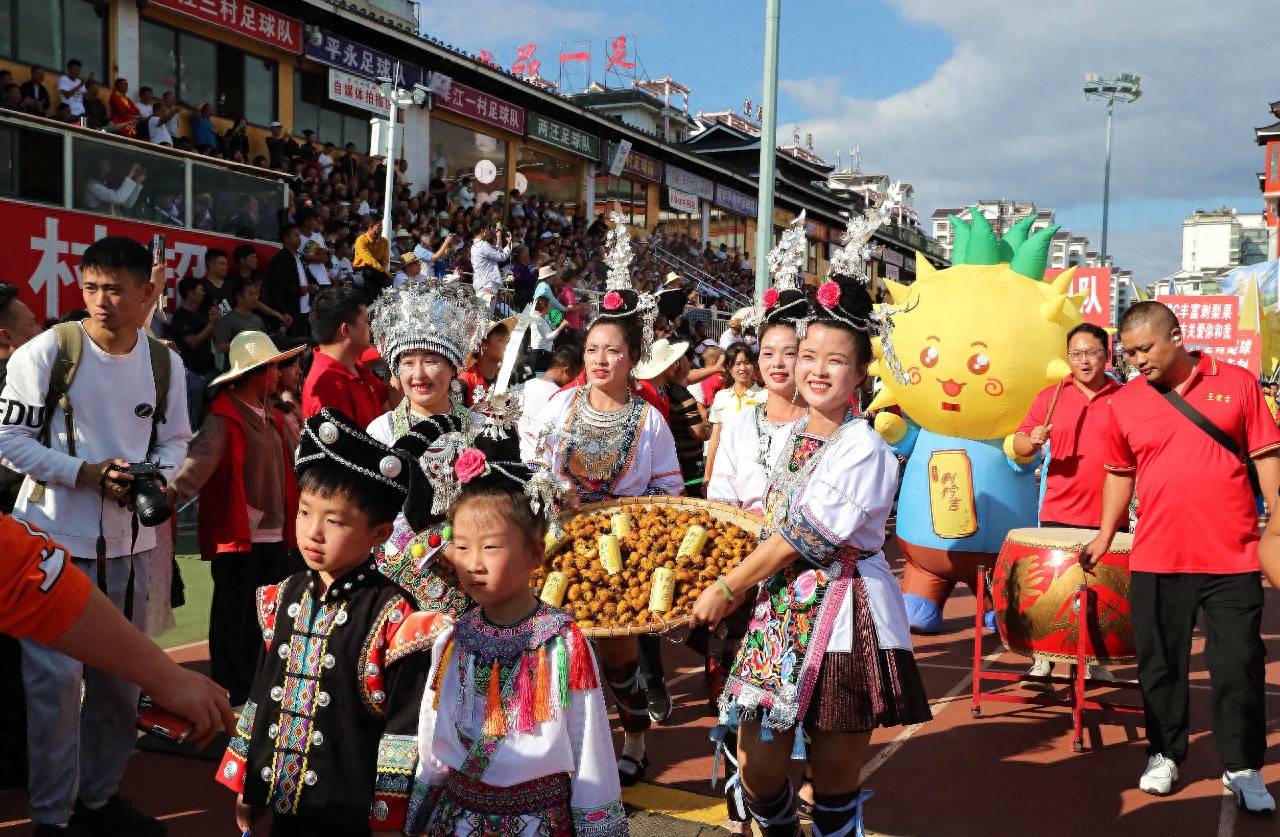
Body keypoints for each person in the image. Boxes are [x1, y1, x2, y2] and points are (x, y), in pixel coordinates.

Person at [691, 275, 931, 837]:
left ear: (860, 374)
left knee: (832, 781)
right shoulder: (791, 434)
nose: (817, 370)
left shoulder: (865, 446)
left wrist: (728, 588)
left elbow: (804, 535)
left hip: (844, 615)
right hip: (777, 611)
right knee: (757, 768)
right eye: (809, 356)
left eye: (836, 361)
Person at [0, 236, 191, 836]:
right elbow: (7, 441)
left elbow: (177, 440)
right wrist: (83, 473)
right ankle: (52, 819)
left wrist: (146, 474)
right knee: (54, 692)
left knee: (118, 687)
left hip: (129, 548)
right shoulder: (44, 353)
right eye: (91, 288)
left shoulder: (165, 363)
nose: (102, 301)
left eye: (116, 289)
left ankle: (100, 801)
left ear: (146, 294)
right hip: (48, 547)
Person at [1080, 301, 1279, 812]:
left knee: (1238, 665)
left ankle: (1242, 767)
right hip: (1156, 557)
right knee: (1161, 666)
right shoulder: (1124, 403)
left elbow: (1265, 456)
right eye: (1129, 353)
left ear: (1176, 335)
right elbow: (1119, 472)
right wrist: (1106, 534)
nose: (1138, 360)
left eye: (1146, 348)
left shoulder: (1235, 383)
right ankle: (1165, 753)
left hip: (1233, 558)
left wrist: (1277, 519)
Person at [214, 409, 446, 836]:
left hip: (352, 809)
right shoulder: (281, 596)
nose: (312, 532)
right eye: (304, 513)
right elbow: (262, 696)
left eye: (334, 520)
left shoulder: (392, 615)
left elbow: (403, 730)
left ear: (378, 534)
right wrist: (248, 786)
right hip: (285, 802)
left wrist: (388, 817)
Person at [529, 230, 682, 785]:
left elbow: (669, 493)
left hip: (619, 549)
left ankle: (635, 737)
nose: (600, 360)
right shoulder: (557, 407)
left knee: (618, 657)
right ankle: (557, 748)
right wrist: (550, 493)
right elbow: (532, 468)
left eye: (612, 351)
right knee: (552, 654)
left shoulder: (650, 421)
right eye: (592, 349)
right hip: (557, 545)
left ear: (633, 358)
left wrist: (628, 513)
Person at [403, 458, 626, 837]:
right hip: (456, 820)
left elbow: (589, 748)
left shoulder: (563, 644)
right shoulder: (451, 642)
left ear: (535, 554)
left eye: (490, 547)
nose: (474, 563)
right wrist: (416, 817)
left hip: (537, 823)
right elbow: (431, 741)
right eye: (462, 547)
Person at [166, 332, 303, 704]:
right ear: (257, 371)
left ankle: (258, 677)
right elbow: (196, 466)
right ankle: (230, 683)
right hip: (239, 534)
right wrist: (169, 496)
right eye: (273, 366)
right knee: (234, 611)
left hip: (273, 534)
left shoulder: (269, 415)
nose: (278, 373)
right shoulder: (223, 419)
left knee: (267, 610)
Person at [364, 279, 492, 615]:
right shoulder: (381, 431)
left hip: (472, 579)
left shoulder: (481, 429)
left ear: (453, 367)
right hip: (398, 586)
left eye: (432, 360)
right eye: (407, 362)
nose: (419, 374)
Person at [1010, 322, 1121, 681]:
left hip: (1110, 512)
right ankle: (1044, 657)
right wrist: (1034, 440)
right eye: (1077, 354)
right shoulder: (1050, 396)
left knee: (1100, 590)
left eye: (1092, 353)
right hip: (1061, 508)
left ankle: (1095, 658)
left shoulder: (1125, 397)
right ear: (1068, 357)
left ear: (1107, 354)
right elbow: (1022, 449)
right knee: (1057, 586)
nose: (1084, 361)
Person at [301, 285, 386, 427]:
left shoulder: (356, 366)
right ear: (346, 329)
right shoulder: (327, 388)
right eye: (366, 321)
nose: (370, 328)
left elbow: (388, 404)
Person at [704, 343, 765, 487]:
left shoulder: (764, 396)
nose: (743, 368)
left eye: (747, 363)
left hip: (754, 471)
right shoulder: (721, 397)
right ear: (728, 367)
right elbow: (715, 438)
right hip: (724, 470)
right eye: (737, 364)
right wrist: (707, 475)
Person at [517, 339, 583, 461]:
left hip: (518, 451)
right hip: (539, 458)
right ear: (567, 370)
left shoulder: (526, 385)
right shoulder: (561, 397)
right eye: (576, 375)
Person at [169, 276, 221, 423]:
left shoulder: (204, 313)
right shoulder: (180, 317)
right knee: (191, 414)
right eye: (200, 290)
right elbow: (193, 342)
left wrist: (216, 322)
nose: (203, 293)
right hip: (191, 371)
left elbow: (215, 339)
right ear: (190, 293)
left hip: (210, 370)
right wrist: (211, 324)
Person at [264, 224, 309, 337]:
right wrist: (299, 290)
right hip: (290, 311)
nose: (299, 239)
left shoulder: (299, 257)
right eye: (296, 236)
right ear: (286, 239)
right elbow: (278, 287)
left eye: (299, 236)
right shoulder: (280, 260)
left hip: (304, 309)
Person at [213, 277, 267, 357]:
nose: (255, 298)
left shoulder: (258, 319)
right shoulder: (227, 320)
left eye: (255, 294)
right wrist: (243, 343)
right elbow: (219, 347)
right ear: (239, 297)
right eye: (251, 294)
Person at [470, 221, 512, 305]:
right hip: (487, 285)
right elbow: (502, 256)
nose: (489, 231)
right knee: (486, 314)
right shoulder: (483, 245)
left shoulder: (476, 245)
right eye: (488, 229)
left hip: (482, 283)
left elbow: (497, 251)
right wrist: (508, 244)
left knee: (485, 314)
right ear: (483, 230)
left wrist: (499, 237)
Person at [353, 215, 391, 301]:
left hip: (377, 270)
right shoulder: (361, 240)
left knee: (388, 283)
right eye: (379, 226)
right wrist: (383, 270)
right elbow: (368, 259)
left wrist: (382, 270)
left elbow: (385, 259)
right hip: (362, 270)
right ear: (371, 225)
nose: (381, 228)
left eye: (382, 226)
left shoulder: (384, 241)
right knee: (368, 288)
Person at [526, 295, 568, 372]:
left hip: (543, 354)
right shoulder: (538, 320)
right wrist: (561, 327)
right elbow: (548, 337)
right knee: (539, 378)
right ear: (544, 307)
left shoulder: (541, 319)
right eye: (549, 305)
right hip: (540, 355)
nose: (551, 307)